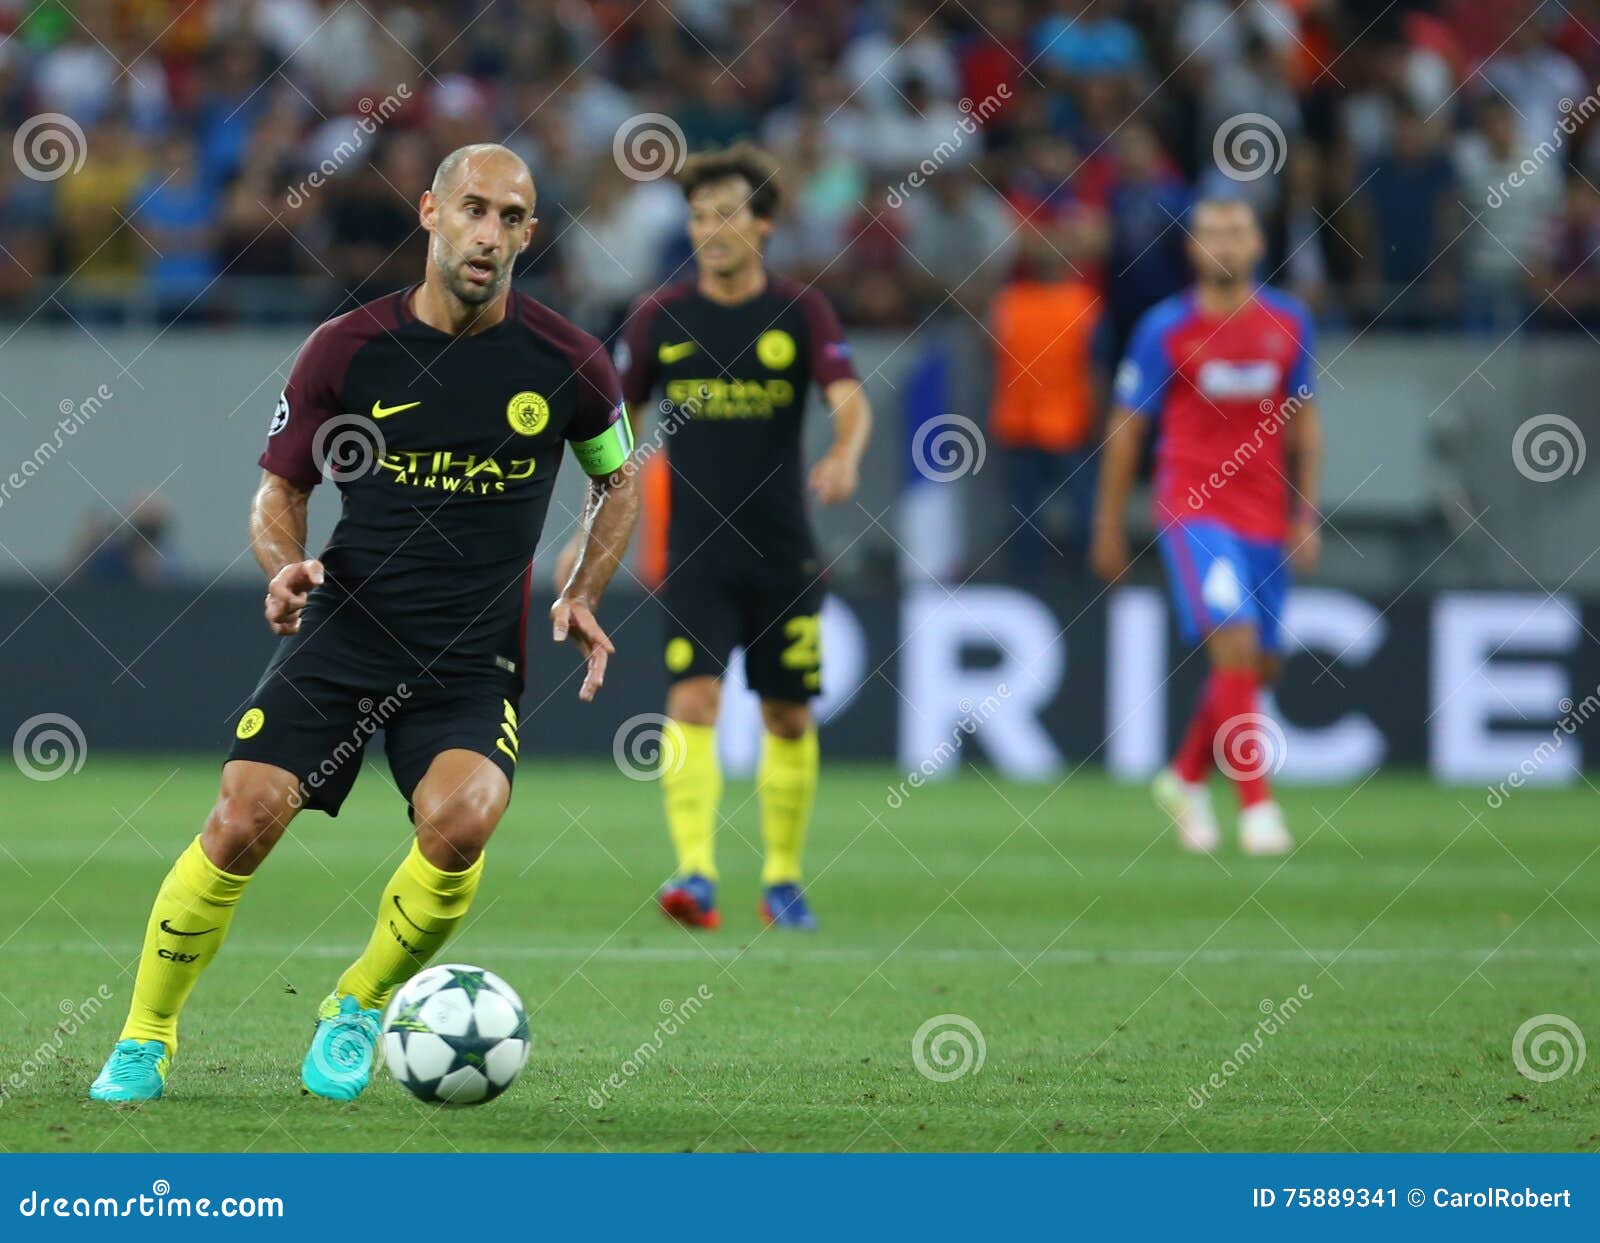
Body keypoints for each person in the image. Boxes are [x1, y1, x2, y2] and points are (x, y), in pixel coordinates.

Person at [88, 144, 640, 1103]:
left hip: (471, 658)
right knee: (239, 819)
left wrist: (585, 585)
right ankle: (147, 1033)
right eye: (474, 210)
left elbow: (618, 477)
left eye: (512, 219)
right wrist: (282, 565)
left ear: (530, 235)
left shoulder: (569, 362)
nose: (490, 235)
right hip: (347, 632)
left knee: (464, 821)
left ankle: (355, 1000)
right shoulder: (346, 349)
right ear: (429, 212)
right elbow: (279, 490)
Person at [564, 143, 871, 930]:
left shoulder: (801, 311)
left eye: (728, 212)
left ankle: (781, 877)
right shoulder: (659, 317)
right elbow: (613, 438)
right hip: (695, 550)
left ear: (764, 223)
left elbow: (847, 395)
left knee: (787, 715)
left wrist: (845, 449)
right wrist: (586, 531)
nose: (712, 228)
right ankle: (695, 872)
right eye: (700, 216)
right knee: (692, 701)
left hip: (785, 551)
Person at [1092, 198, 1322, 856]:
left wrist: (1306, 513)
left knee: (1260, 666)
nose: (1224, 245)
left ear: (1258, 244)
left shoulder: (1289, 322)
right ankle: (1258, 810)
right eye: (1212, 234)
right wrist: (1109, 525)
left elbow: (1305, 420)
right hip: (1194, 508)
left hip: (1265, 512)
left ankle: (1186, 775)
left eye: (1237, 232)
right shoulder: (1164, 328)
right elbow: (1127, 425)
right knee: (1235, 642)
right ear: (1192, 249)